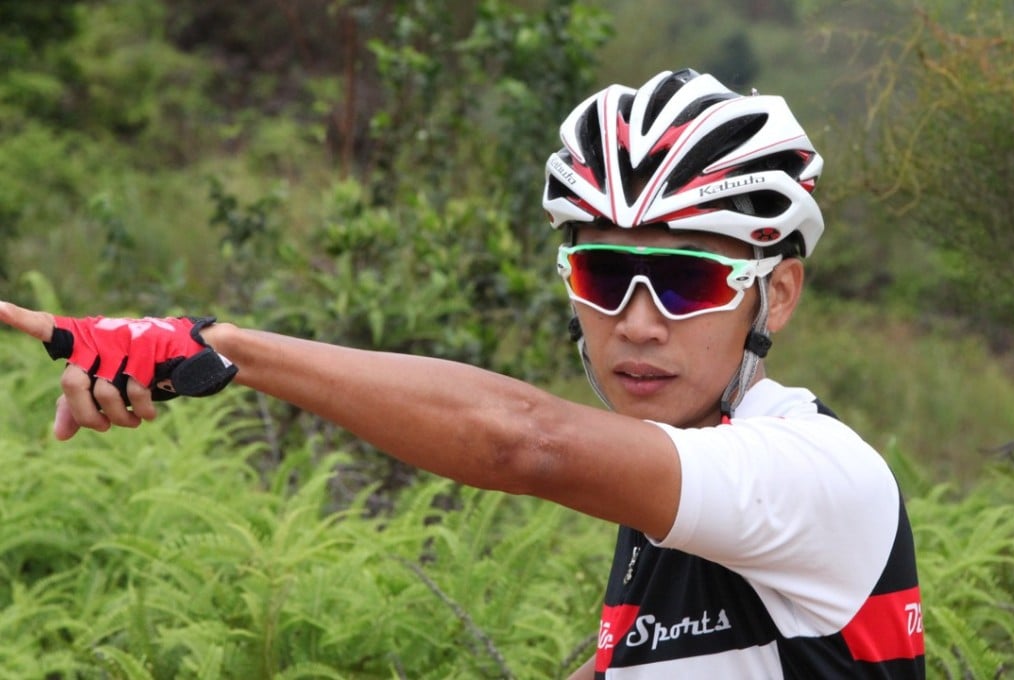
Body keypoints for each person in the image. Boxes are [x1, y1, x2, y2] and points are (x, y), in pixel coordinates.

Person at [0, 68, 925, 678]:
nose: (638, 323)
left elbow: (525, 441)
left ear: (777, 294)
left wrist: (223, 349)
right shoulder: (677, 490)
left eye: (686, 282)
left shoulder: (815, 477)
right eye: (605, 275)